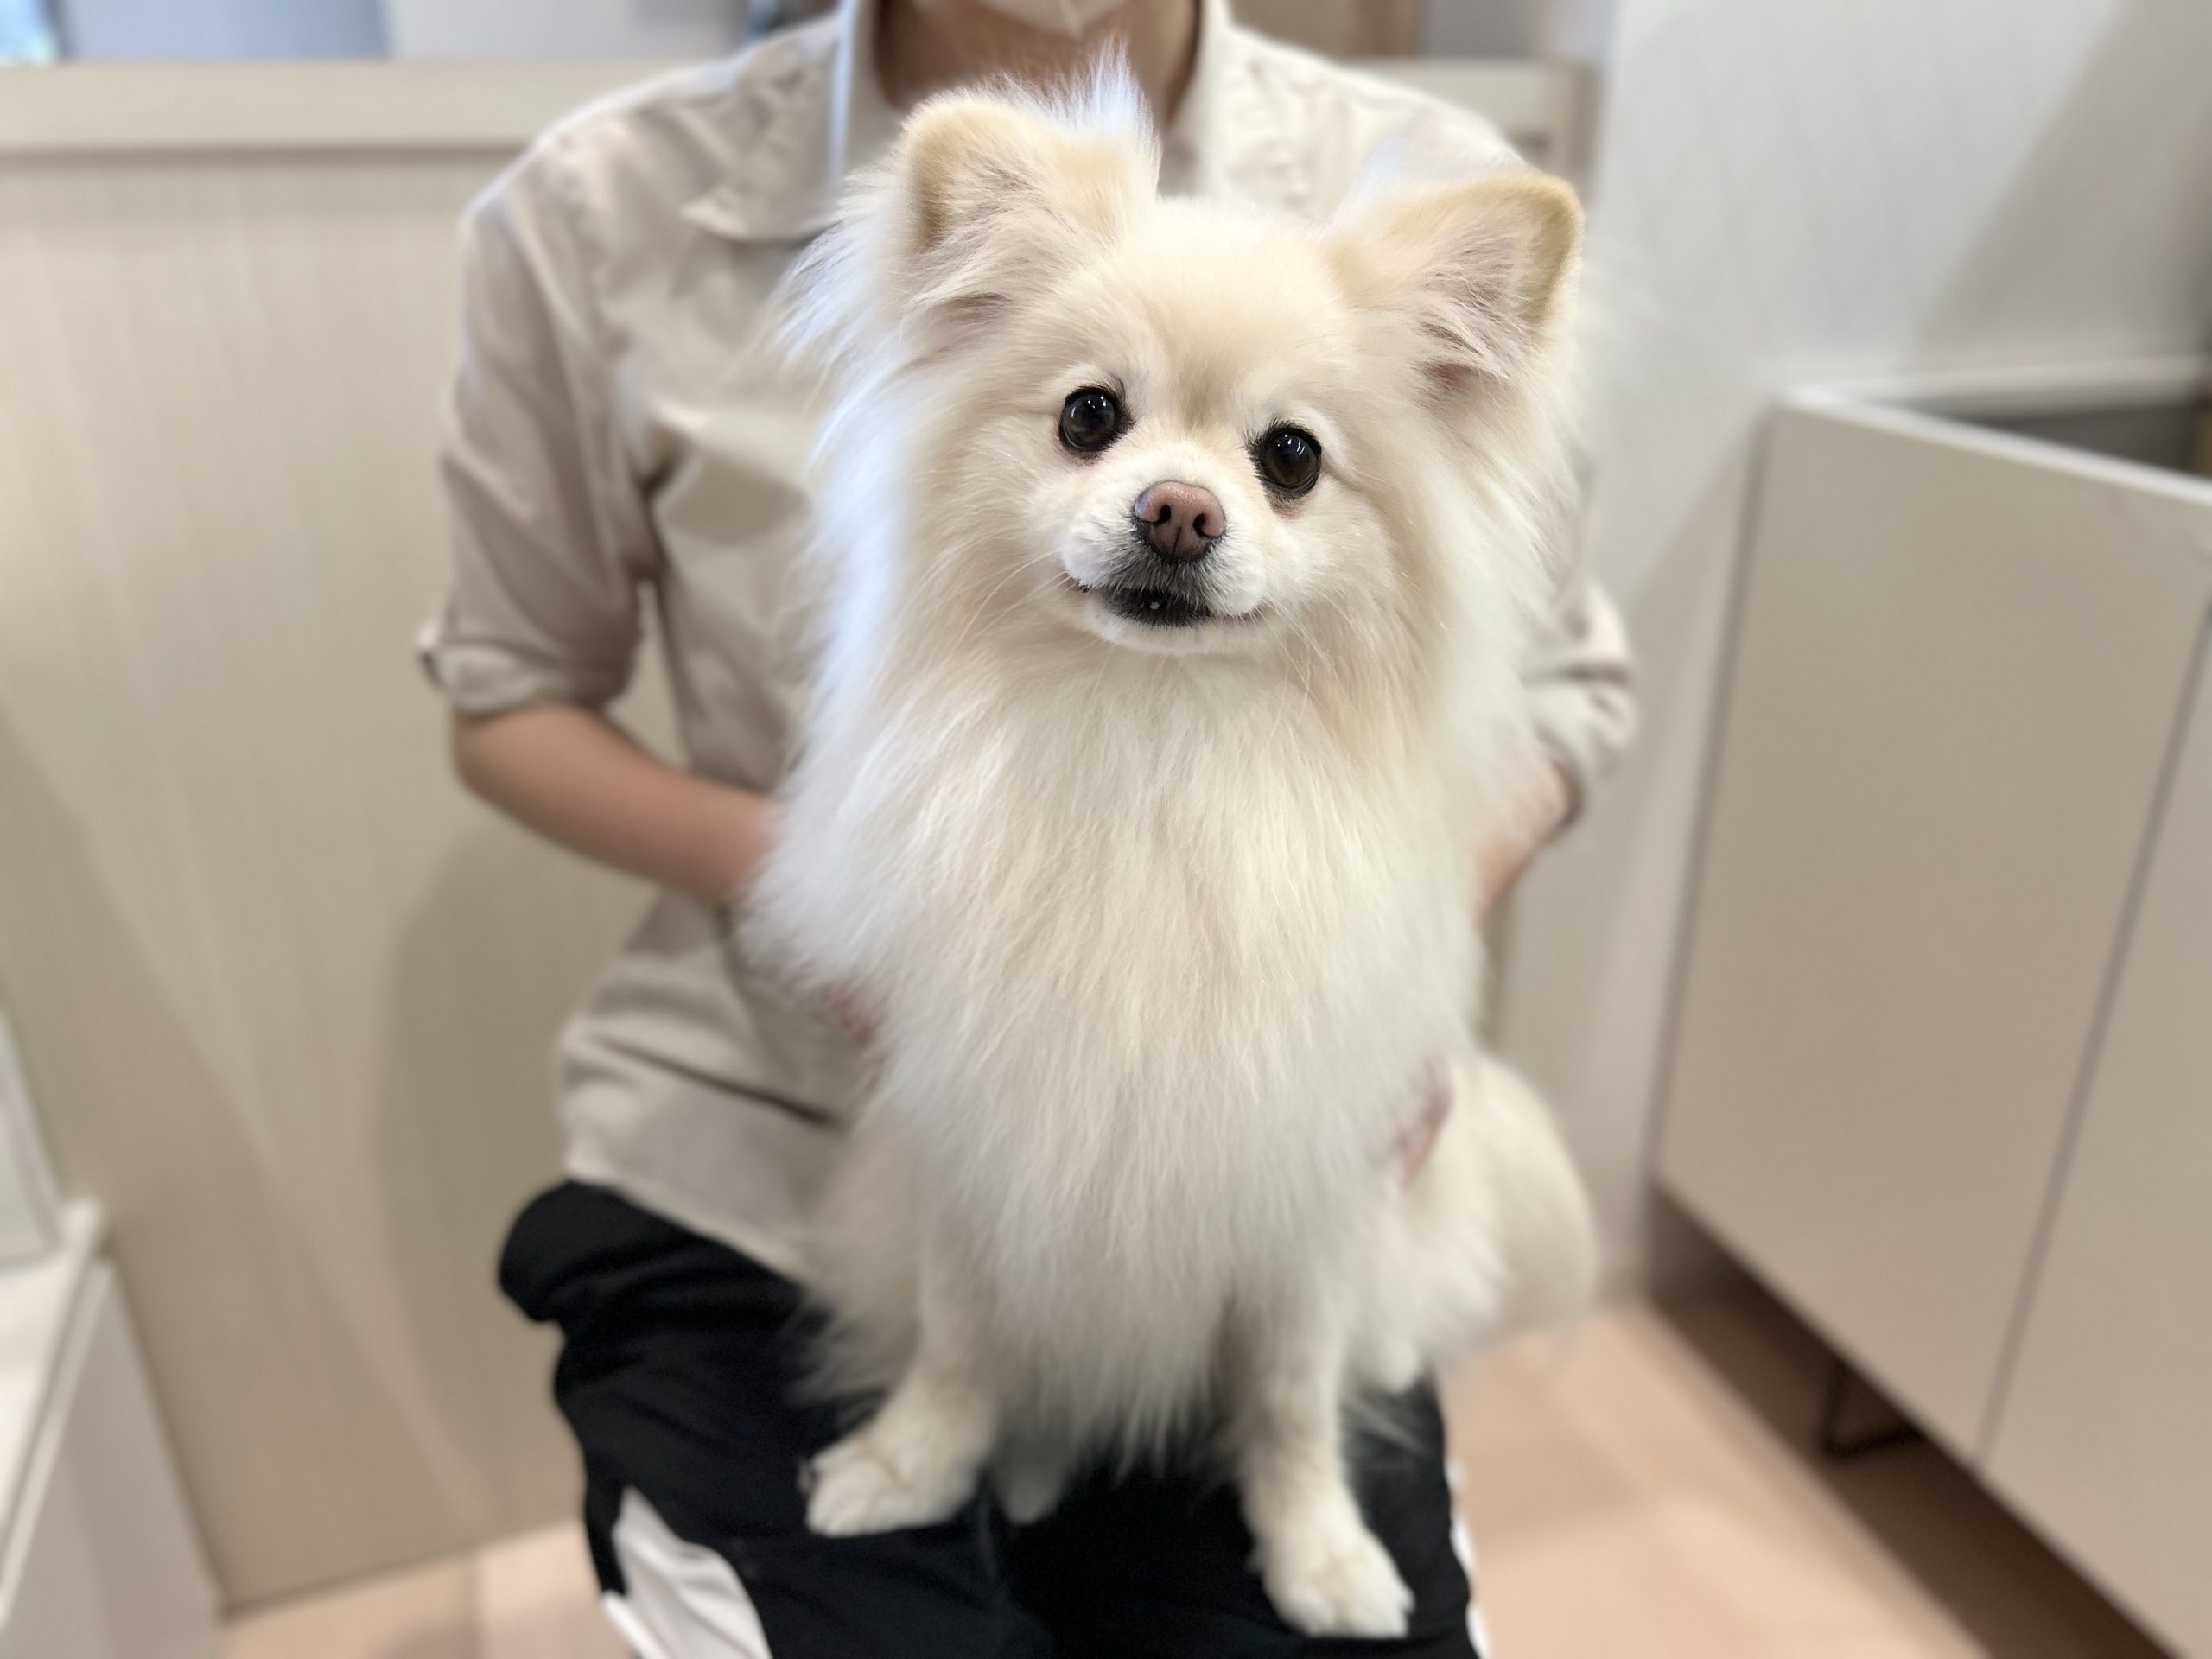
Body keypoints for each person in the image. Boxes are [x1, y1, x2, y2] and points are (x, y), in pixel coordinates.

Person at [422, 2, 1635, 1654]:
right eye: (1090, 419)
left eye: (1286, 460)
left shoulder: (1425, 183)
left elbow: (1564, 688)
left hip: (1290, 1193)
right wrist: (861, 911)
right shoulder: (592, 208)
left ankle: (1287, 1462)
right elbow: (504, 702)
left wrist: (1385, 968)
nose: (1177, 504)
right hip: (762, 1119)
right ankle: (963, 1400)